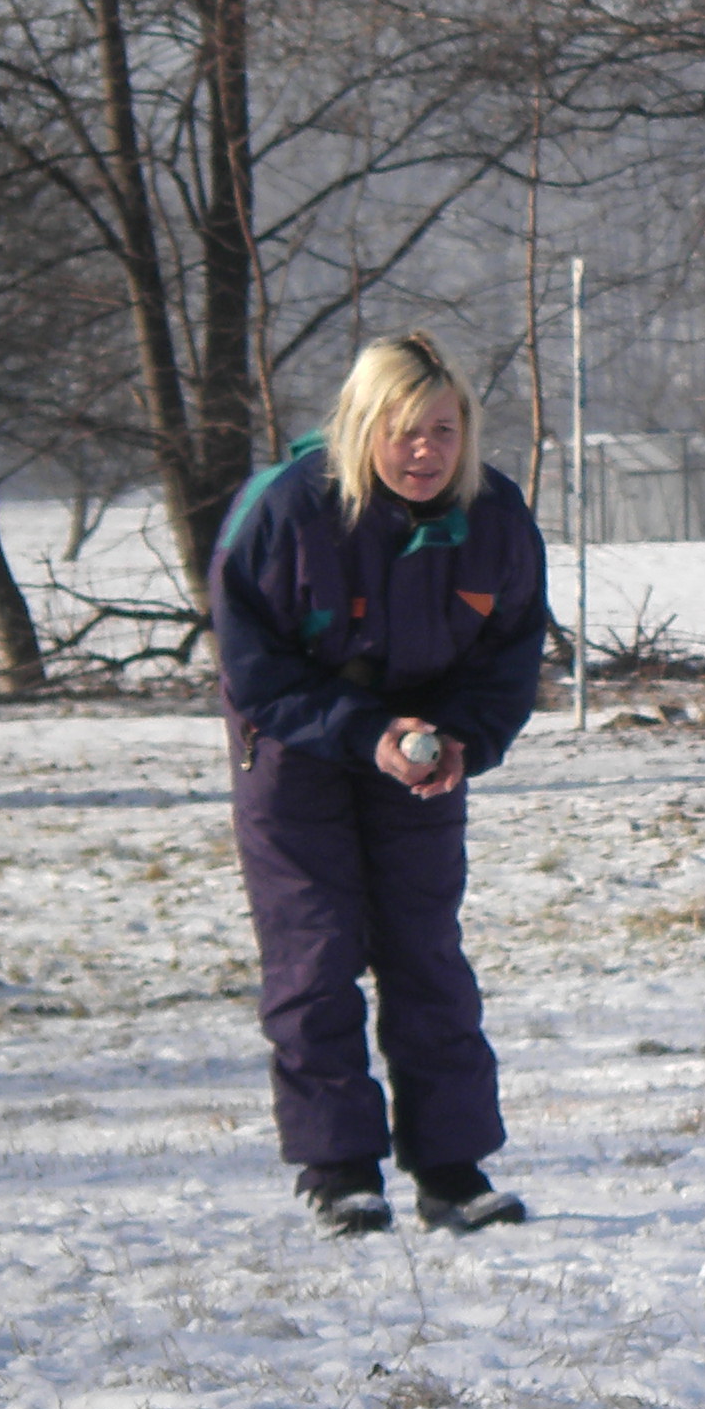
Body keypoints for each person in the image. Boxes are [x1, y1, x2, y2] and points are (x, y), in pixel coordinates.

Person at [211, 333, 547, 1234]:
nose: (427, 452)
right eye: (405, 433)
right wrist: (369, 732)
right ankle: (338, 1171)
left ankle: (451, 1169)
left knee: (425, 952)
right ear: (364, 428)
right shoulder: (284, 512)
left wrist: (461, 740)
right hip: (295, 753)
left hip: (424, 762)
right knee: (315, 955)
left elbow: (511, 656)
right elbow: (254, 667)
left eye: (444, 431)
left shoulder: (497, 516)